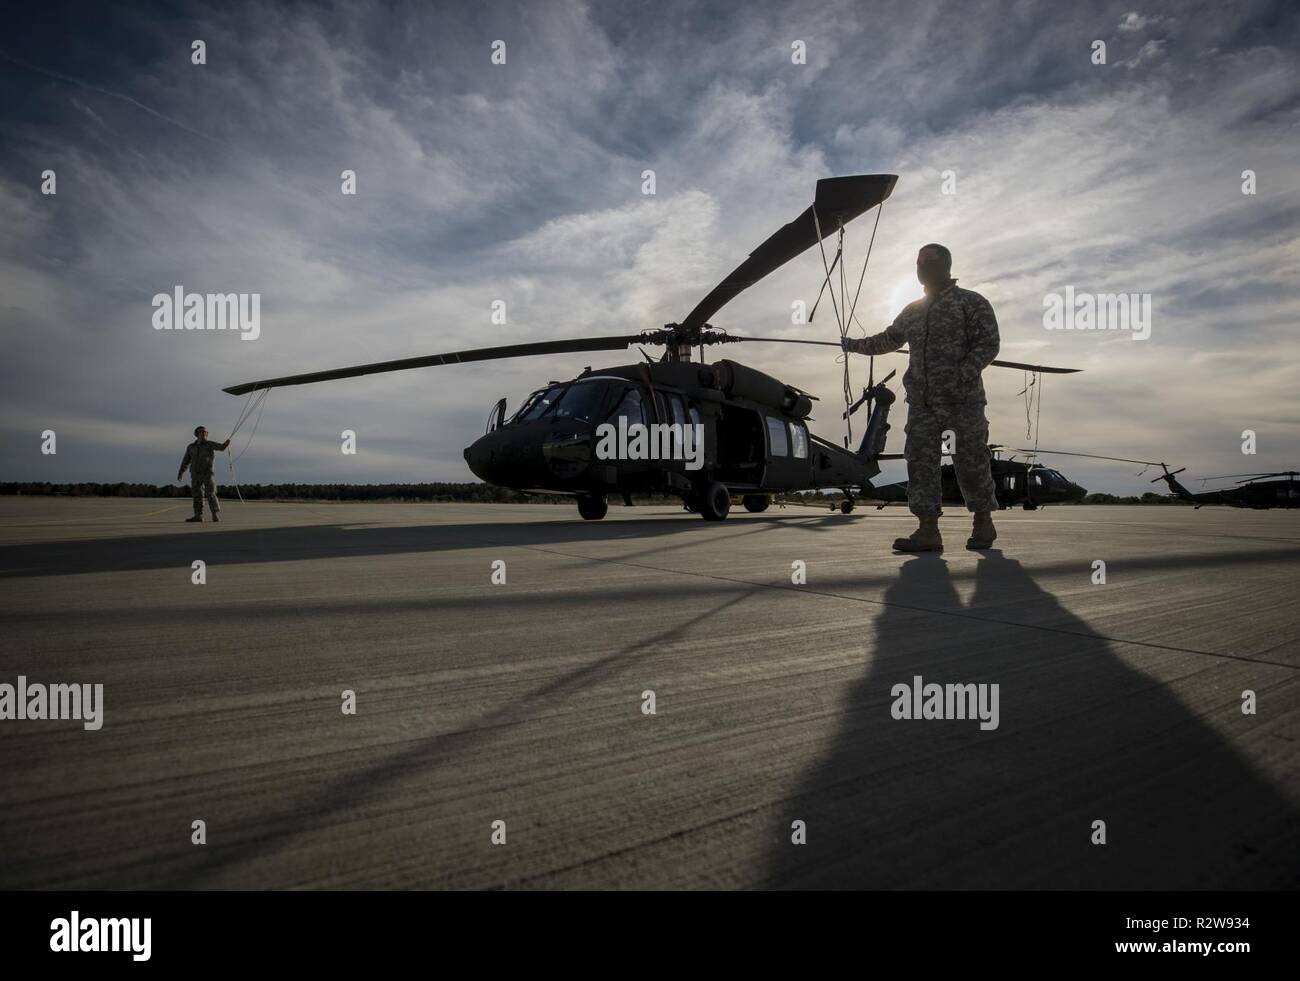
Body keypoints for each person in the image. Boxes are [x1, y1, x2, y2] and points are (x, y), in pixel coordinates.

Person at [843, 244, 1000, 551]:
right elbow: (888, 339)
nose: (923, 269)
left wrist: (959, 375)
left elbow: (988, 344)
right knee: (920, 464)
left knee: (970, 463)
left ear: (946, 266)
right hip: (922, 405)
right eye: (919, 264)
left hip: (962, 403)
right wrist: (853, 345)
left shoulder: (971, 302)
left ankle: (984, 523)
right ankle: (927, 530)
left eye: (930, 263)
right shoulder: (913, 310)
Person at [178, 426, 230, 523]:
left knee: (211, 494)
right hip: (195, 474)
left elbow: (221, 447)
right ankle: (198, 516)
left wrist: (226, 444)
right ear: (197, 434)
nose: (204, 434)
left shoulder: (210, 444)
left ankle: (214, 515)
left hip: (207, 474)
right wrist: (181, 472)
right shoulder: (191, 447)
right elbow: (186, 460)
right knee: (197, 495)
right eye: (202, 432)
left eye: (206, 432)